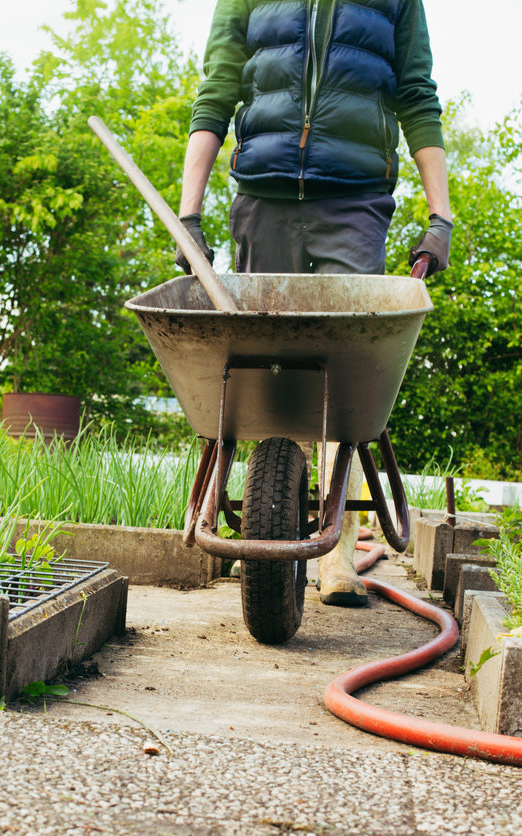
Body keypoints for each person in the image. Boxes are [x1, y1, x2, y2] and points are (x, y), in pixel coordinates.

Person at [176, 0, 452, 607]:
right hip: (263, 192)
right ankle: (266, 530)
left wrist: (441, 217)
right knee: (261, 369)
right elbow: (217, 91)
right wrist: (188, 212)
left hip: (354, 201)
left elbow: (416, 96)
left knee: (344, 370)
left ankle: (339, 552)